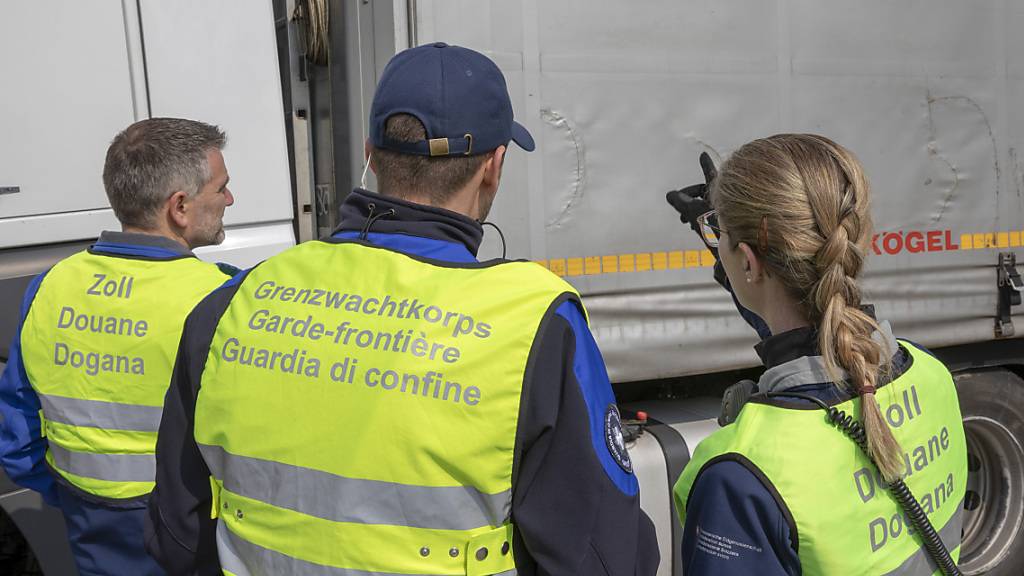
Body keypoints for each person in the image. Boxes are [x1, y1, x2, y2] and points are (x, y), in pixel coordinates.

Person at [145, 42, 659, 576]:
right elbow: (604, 557)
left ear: (370, 153)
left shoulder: (233, 303)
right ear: (493, 166)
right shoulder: (536, 325)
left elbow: (179, 533)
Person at [670, 134, 967, 575]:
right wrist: (734, 256)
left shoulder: (740, 478)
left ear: (750, 264)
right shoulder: (930, 373)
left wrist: (741, 266)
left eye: (723, 236)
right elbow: (809, 327)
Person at [0, 118, 236, 576]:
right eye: (222, 188)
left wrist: (81, 501)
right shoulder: (221, 299)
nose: (230, 200)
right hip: (193, 543)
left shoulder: (50, 286)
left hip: (92, 534)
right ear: (180, 207)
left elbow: (19, 440)